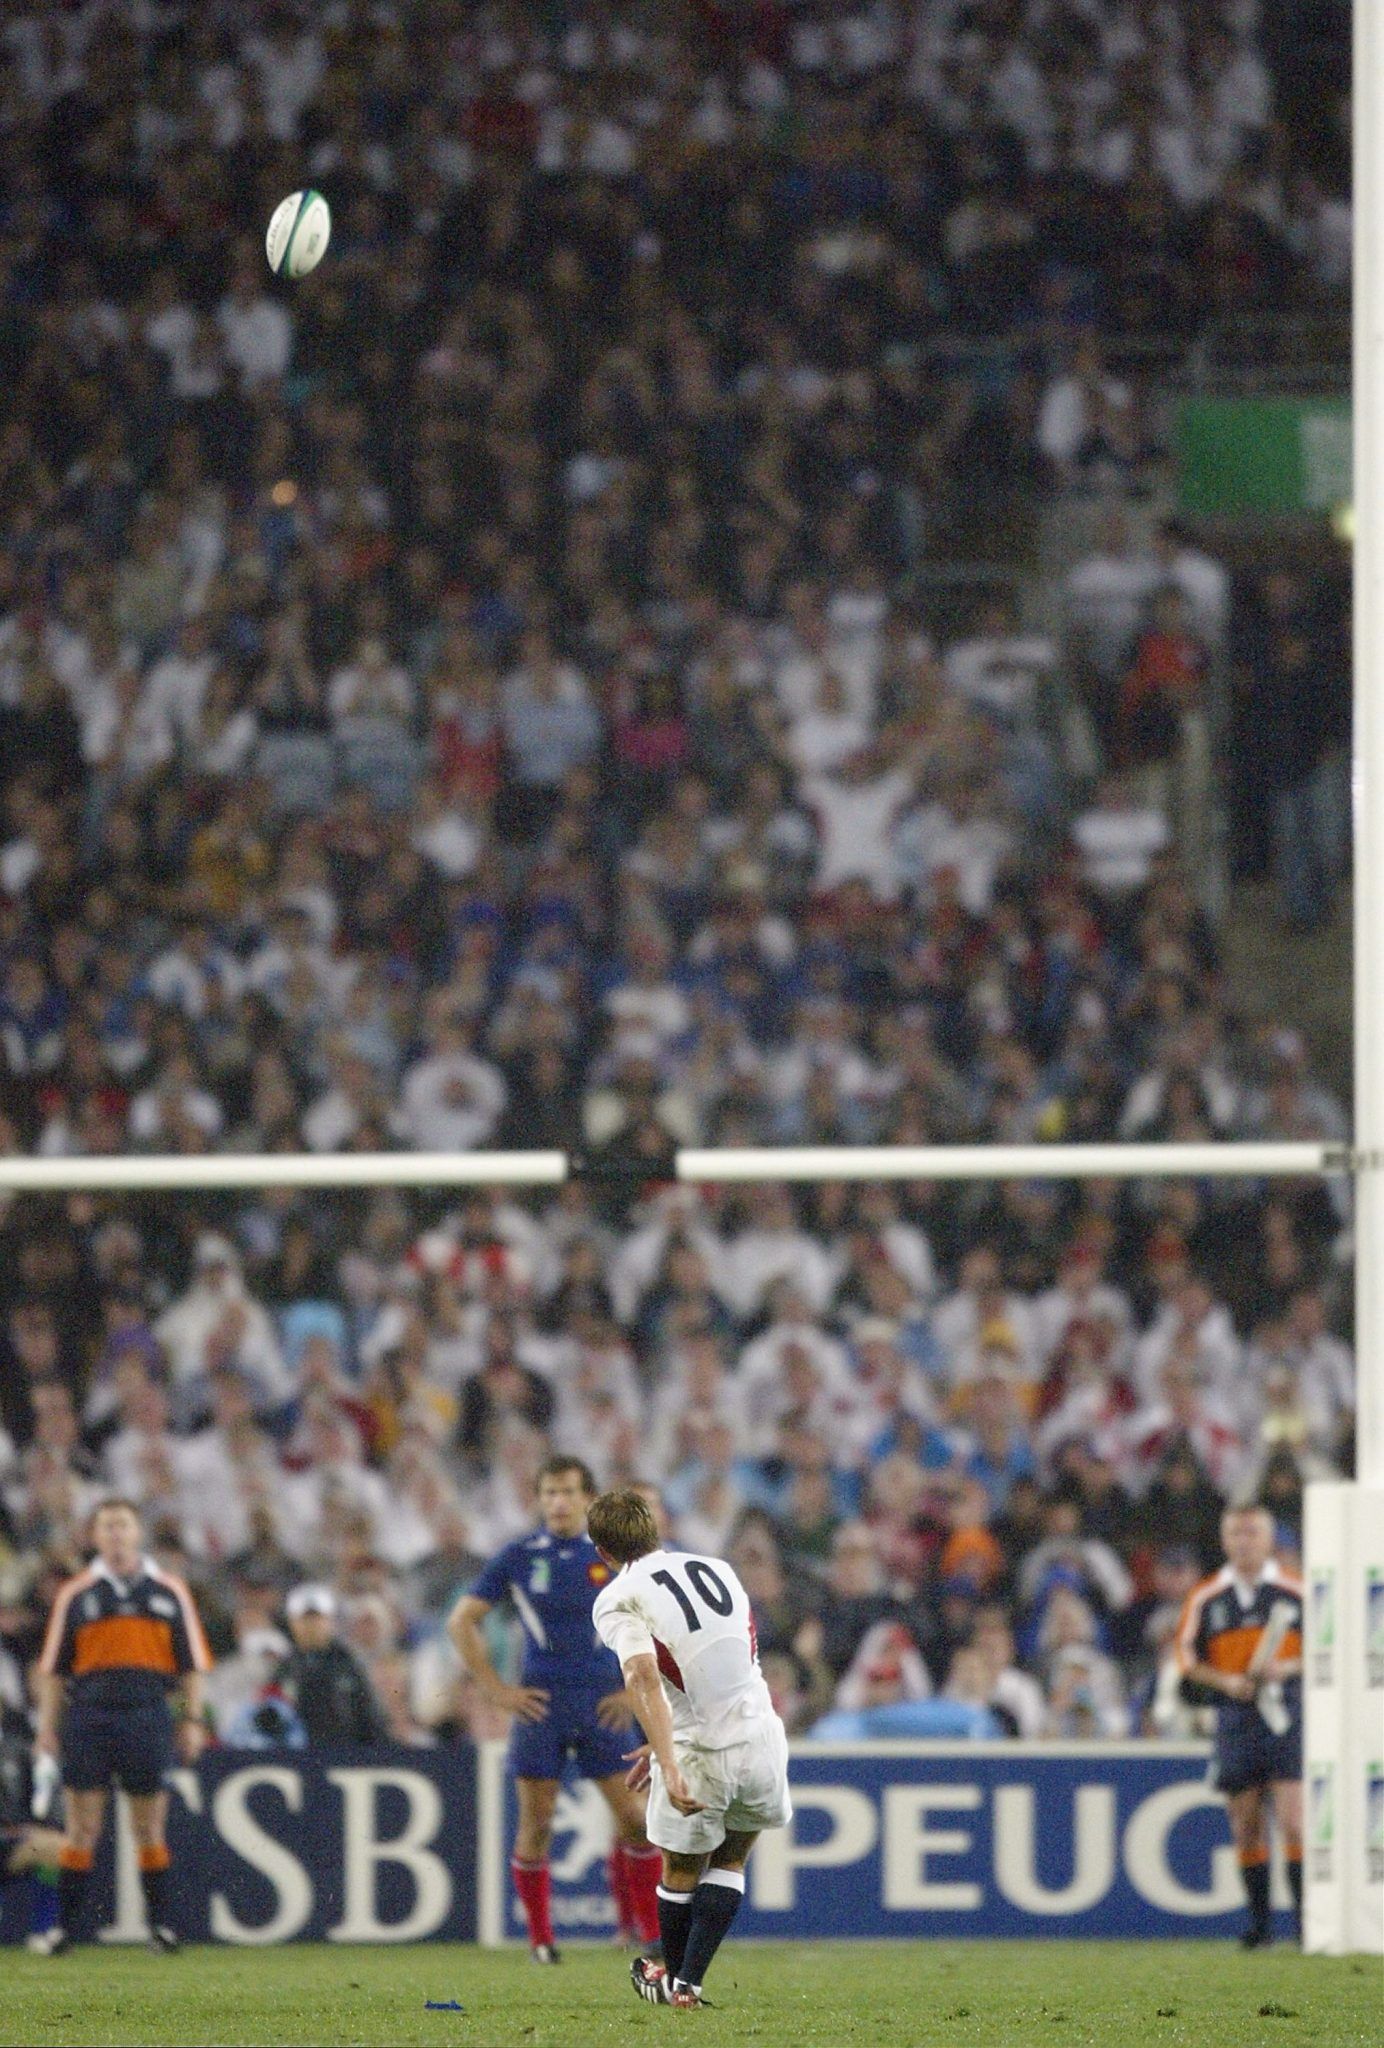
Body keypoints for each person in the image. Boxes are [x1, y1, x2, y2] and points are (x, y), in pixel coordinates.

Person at [447, 1456, 660, 1963]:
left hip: (602, 1704)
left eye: (567, 1492)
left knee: (635, 1820)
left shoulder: (615, 1554)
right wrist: (496, 1690)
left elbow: (659, 1618)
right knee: (537, 1822)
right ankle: (541, 1941)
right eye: (549, 1493)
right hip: (541, 1706)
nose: (558, 1502)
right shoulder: (520, 1555)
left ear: (589, 1498)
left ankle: (652, 1934)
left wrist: (631, 1693)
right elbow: (462, 1620)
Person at [587, 1487, 793, 2011]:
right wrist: (665, 1741)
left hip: (700, 1749)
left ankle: (672, 1981)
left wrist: (667, 1757)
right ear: (655, 1529)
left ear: (603, 1552)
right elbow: (730, 1656)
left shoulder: (617, 1597)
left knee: (680, 1869)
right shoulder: (717, 1568)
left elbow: (641, 1675)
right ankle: (688, 1986)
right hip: (762, 1735)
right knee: (731, 1859)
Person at [32, 1498, 211, 1954]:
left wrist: (192, 1719)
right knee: (82, 1827)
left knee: (149, 1827)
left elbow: (192, 1665)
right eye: (107, 1526)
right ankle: (64, 1930)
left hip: (148, 1714)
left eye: (123, 1525)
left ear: (137, 1532)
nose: (115, 1534)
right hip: (89, 1716)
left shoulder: (169, 1591)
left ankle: (161, 1928)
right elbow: (54, 1671)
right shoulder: (76, 1594)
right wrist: (47, 1728)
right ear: (94, 1536)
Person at [1175, 1503, 1303, 1947]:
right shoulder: (1206, 1596)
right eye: (1236, 1533)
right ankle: (1261, 1926)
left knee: (1294, 1820)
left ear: (1270, 1539)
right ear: (1224, 1539)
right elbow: (1187, 1659)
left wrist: (1286, 1669)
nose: (1244, 1541)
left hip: (1286, 1714)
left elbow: (1328, 1646)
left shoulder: (1297, 1589)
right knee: (1245, 1823)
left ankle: (1306, 1925)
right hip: (1236, 1717)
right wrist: (1226, 1681)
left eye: (1252, 1532)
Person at [269, 1586, 389, 1746]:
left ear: (330, 1621)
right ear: (292, 1623)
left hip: (344, 1753)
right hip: (299, 1755)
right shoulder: (285, 1667)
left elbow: (372, 1718)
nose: (311, 1625)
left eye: (317, 1618)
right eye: (304, 1619)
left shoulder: (349, 1663)